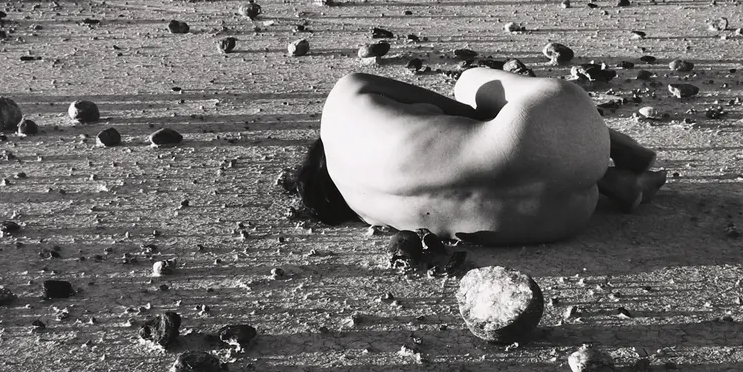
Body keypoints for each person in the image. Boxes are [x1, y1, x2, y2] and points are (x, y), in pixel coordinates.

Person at [283, 67, 666, 244]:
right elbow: (462, 110)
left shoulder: (368, 211)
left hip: (560, 219)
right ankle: (625, 151)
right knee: (468, 84)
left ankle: (616, 183)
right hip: (557, 126)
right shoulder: (343, 98)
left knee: (490, 174)